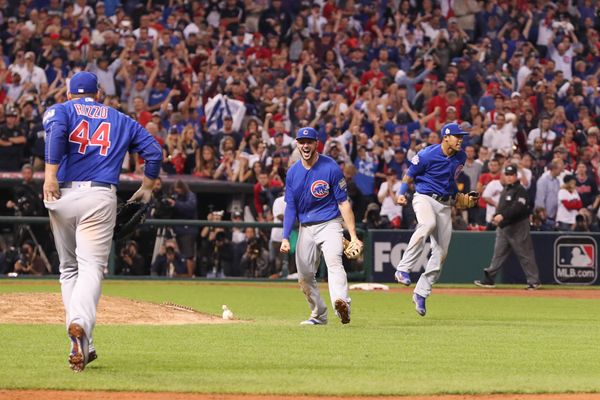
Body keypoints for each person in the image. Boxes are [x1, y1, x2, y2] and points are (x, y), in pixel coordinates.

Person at [42, 71, 162, 372]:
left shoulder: (60, 109)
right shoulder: (120, 118)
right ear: (99, 94)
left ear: (69, 94)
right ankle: (80, 322)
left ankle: (85, 342)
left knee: (69, 269)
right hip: (99, 195)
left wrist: (50, 175)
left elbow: (56, 132)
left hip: (61, 195)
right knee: (91, 267)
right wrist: (147, 187)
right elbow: (155, 152)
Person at [280, 127, 362, 325]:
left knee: (334, 262)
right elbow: (290, 206)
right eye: (301, 141)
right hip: (306, 227)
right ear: (297, 144)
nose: (305, 145)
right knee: (305, 277)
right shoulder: (292, 173)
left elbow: (343, 203)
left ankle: (342, 302)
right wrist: (284, 237)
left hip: (330, 223)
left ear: (317, 143)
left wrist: (353, 235)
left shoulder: (330, 167)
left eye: (309, 141)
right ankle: (318, 314)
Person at [394, 122, 470, 317]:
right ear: (446, 137)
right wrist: (401, 194)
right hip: (424, 197)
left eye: (461, 137)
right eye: (457, 136)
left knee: (441, 253)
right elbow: (409, 176)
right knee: (427, 224)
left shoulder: (461, 157)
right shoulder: (428, 154)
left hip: (445, 205)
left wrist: (458, 197)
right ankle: (402, 269)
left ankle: (421, 292)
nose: (460, 140)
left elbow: (450, 180)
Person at [474, 165, 541, 290]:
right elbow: (501, 208)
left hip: (518, 226)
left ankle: (534, 281)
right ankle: (489, 279)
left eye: (511, 175)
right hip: (504, 227)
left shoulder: (520, 189)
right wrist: (495, 218)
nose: (509, 177)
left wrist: (502, 215)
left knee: (525, 254)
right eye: (507, 174)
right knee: (498, 254)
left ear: (516, 176)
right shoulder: (506, 189)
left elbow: (518, 207)